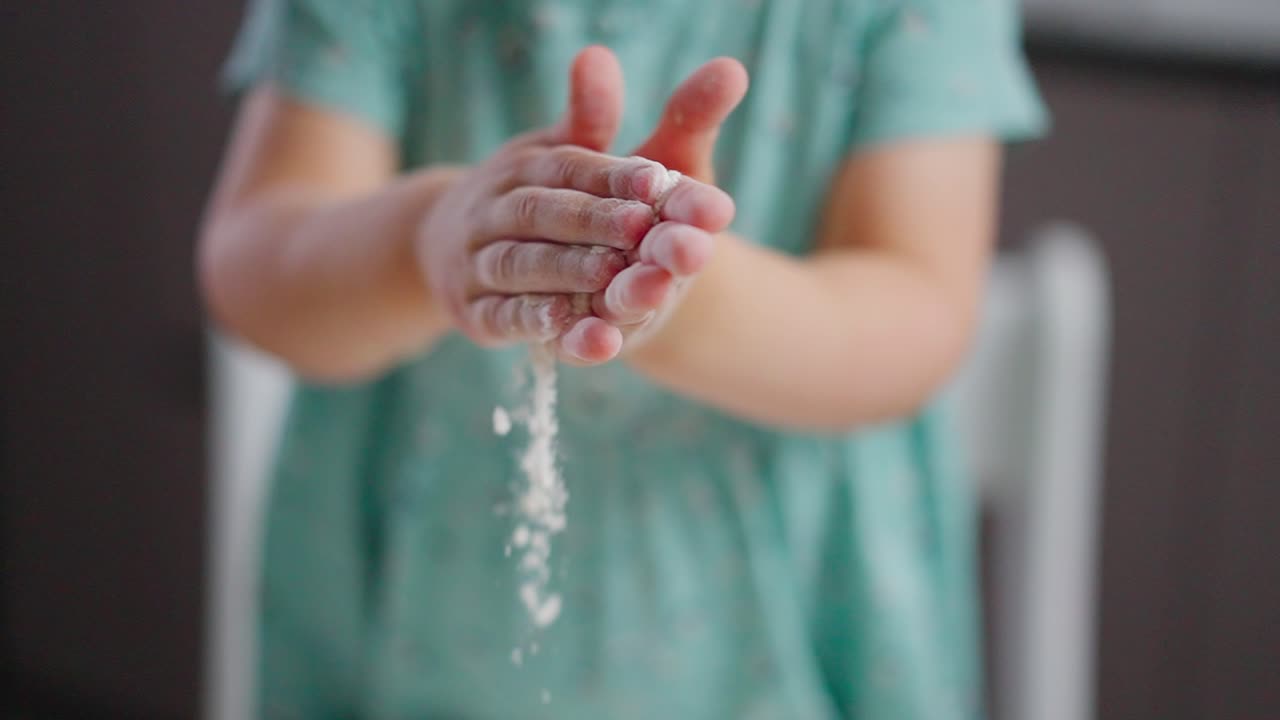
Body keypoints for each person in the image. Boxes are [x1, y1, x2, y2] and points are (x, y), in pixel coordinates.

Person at [202, 0, 1047, 717]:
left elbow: (916, 318)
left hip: (786, 631)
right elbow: (251, 269)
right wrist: (427, 239)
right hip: (427, 634)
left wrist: (679, 292)